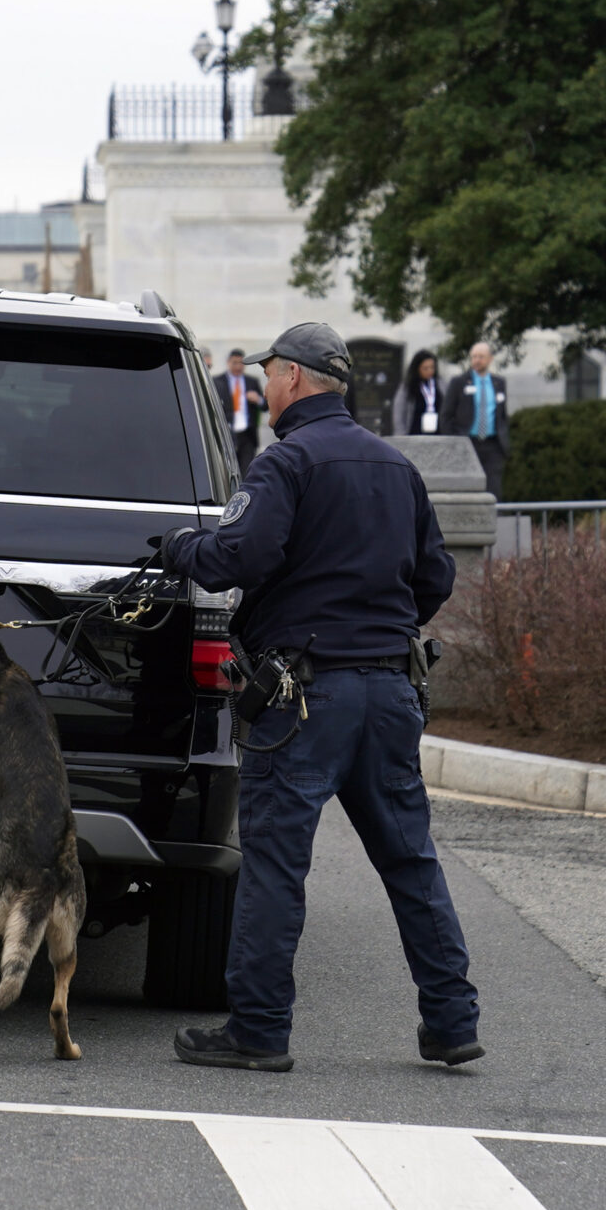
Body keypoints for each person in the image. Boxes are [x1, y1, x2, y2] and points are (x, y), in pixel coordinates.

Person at [160, 321, 482, 1073]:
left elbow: (242, 552)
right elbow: (435, 577)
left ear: (296, 379)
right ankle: (452, 1021)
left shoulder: (287, 462)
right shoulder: (395, 466)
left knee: (275, 865)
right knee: (411, 861)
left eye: (271, 371)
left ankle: (259, 1030)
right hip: (391, 692)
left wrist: (180, 547)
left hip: (303, 697)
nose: (266, 384)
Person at [446, 342, 510, 498]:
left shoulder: (499, 383)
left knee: (494, 487)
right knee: (467, 485)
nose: (477, 360)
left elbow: (502, 415)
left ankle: (495, 519)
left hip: (492, 444)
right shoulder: (459, 382)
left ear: (490, 359)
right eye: (474, 356)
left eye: (481, 357)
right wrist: (452, 441)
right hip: (467, 442)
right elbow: (446, 414)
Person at [212, 348, 266, 474]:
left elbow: (266, 406)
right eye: (234, 363)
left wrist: (258, 399)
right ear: (228, 363)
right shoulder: (217, 381)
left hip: (247, 435)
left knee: (247, 471)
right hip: (227, 433)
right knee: (226, 471)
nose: (238, 366)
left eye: (241, 363)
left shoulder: (252, 382)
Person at [389, 351, 443, 437]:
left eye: (432, 367)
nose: (430, 371)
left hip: (438, 435)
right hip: (414, 434)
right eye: (425, 368)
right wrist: (401, 436)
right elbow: (399, 414)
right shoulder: (407, 387)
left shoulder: (440, 385)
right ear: (417, 368)